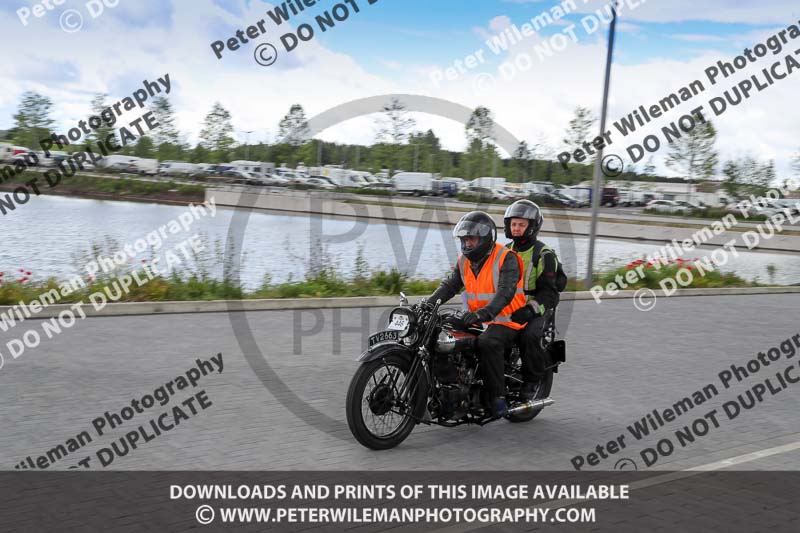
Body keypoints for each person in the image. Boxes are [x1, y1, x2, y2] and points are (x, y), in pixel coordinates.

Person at [427, 211, 527, 417]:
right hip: (478, 319)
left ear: (485, 238)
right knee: (441, 333)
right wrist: (428, 304)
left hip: (508, 321)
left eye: (471, 239)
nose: (466, 244)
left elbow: (505, 293)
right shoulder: (464, 261)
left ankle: (497, 397)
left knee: (487, 343)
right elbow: (450, 285)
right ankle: (450, 387)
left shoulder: (507, 258)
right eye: (464, 240)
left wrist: (484, 313)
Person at [503, 200, 560, 401]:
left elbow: (549, 294)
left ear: (532, 227)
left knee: (528, 337)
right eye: (513, 224)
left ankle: (532, 380)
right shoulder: (504, 251)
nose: (516, 228)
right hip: (508, 307)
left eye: (521, 225)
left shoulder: (544, 255)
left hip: (537, 309)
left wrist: (530, 310)